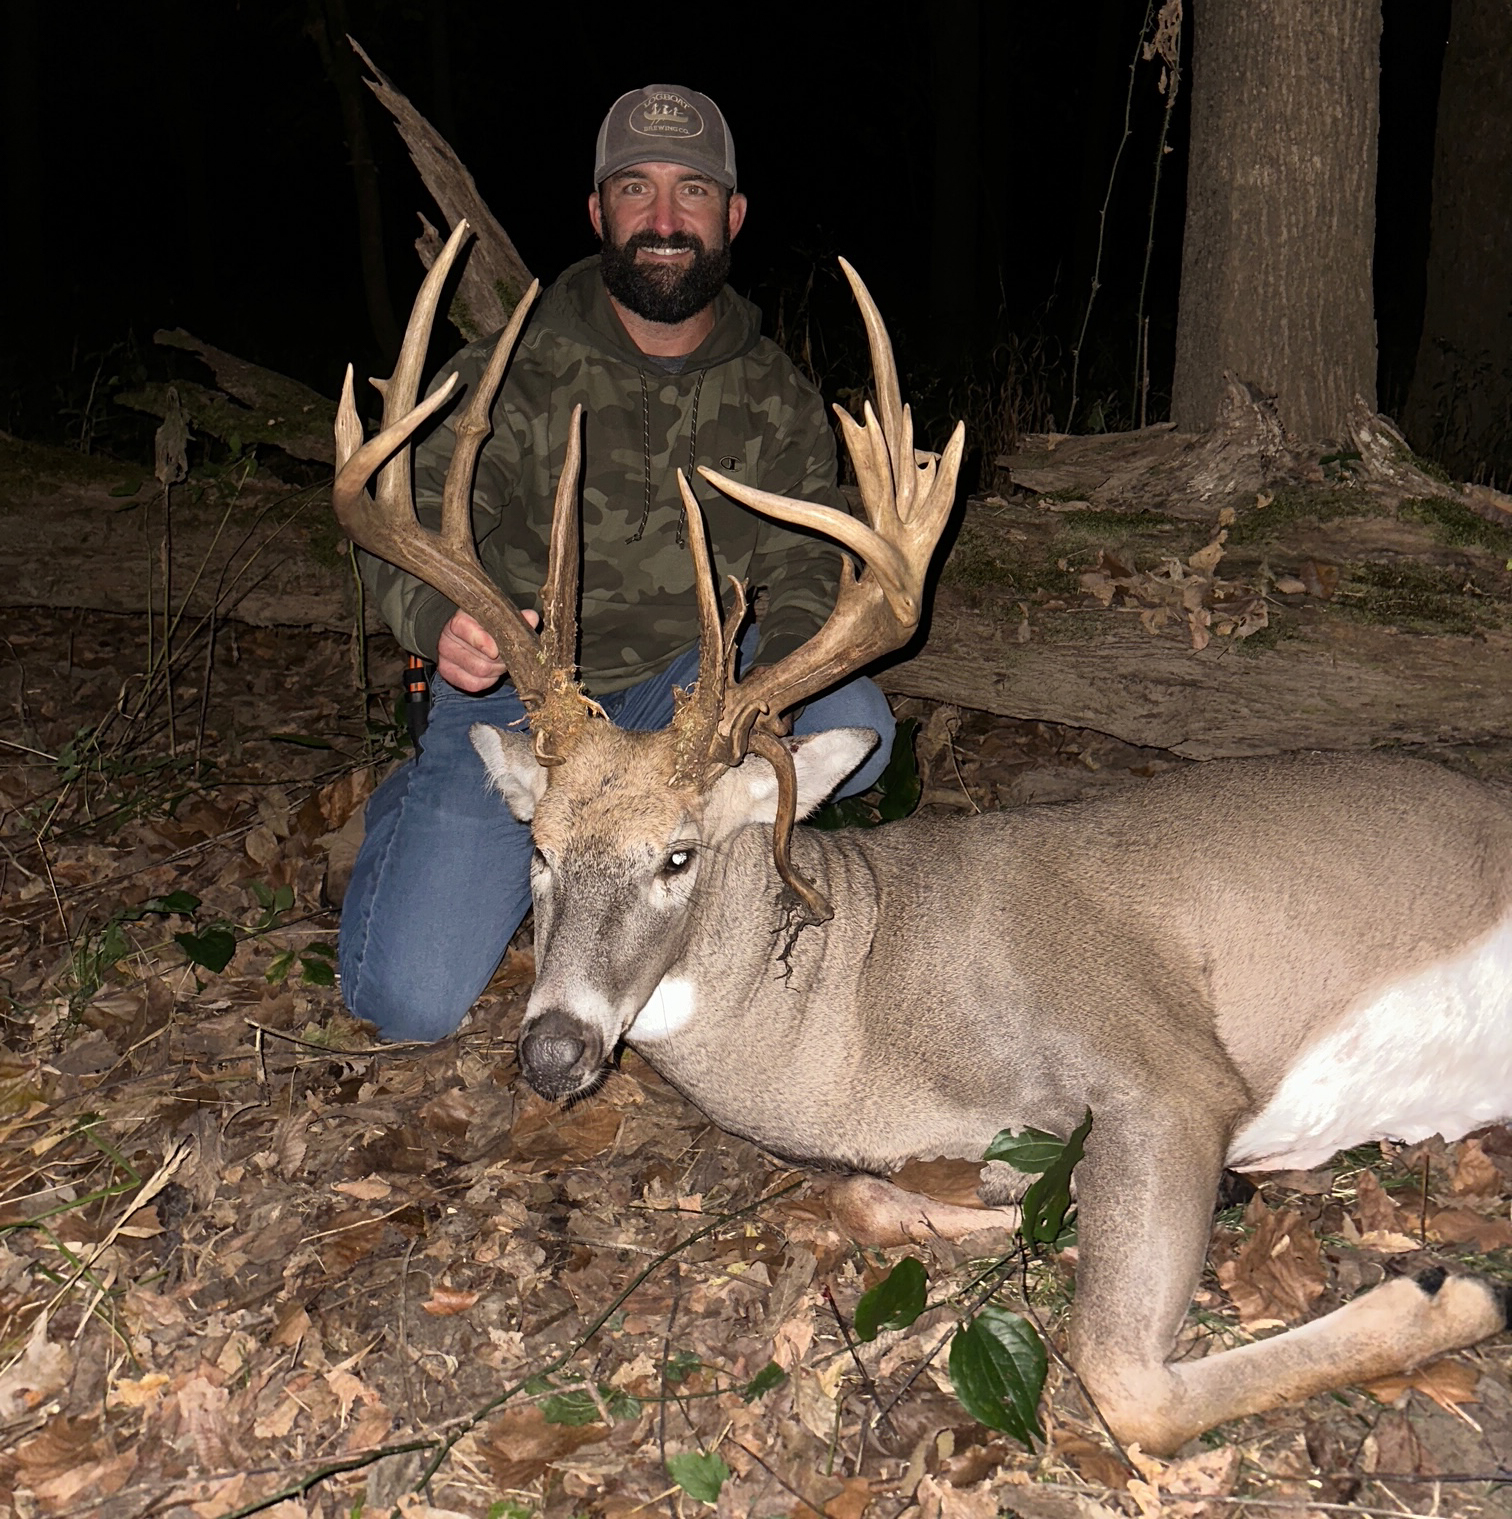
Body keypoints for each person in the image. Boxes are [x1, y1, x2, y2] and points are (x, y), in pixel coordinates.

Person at [339, 83, 896, 1042]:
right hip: (533, 701)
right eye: (636, 189)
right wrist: (440, 622)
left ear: (733, 216)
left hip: (688, 701)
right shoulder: (509, 372)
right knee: (410, 1002)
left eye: (693, 191)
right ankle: (428, 801)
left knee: (861, 722)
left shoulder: (777, 395)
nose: (665, 220)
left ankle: (660, 868)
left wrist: (766, 693)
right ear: (598, 213)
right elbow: (403, 516)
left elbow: (809, 568)